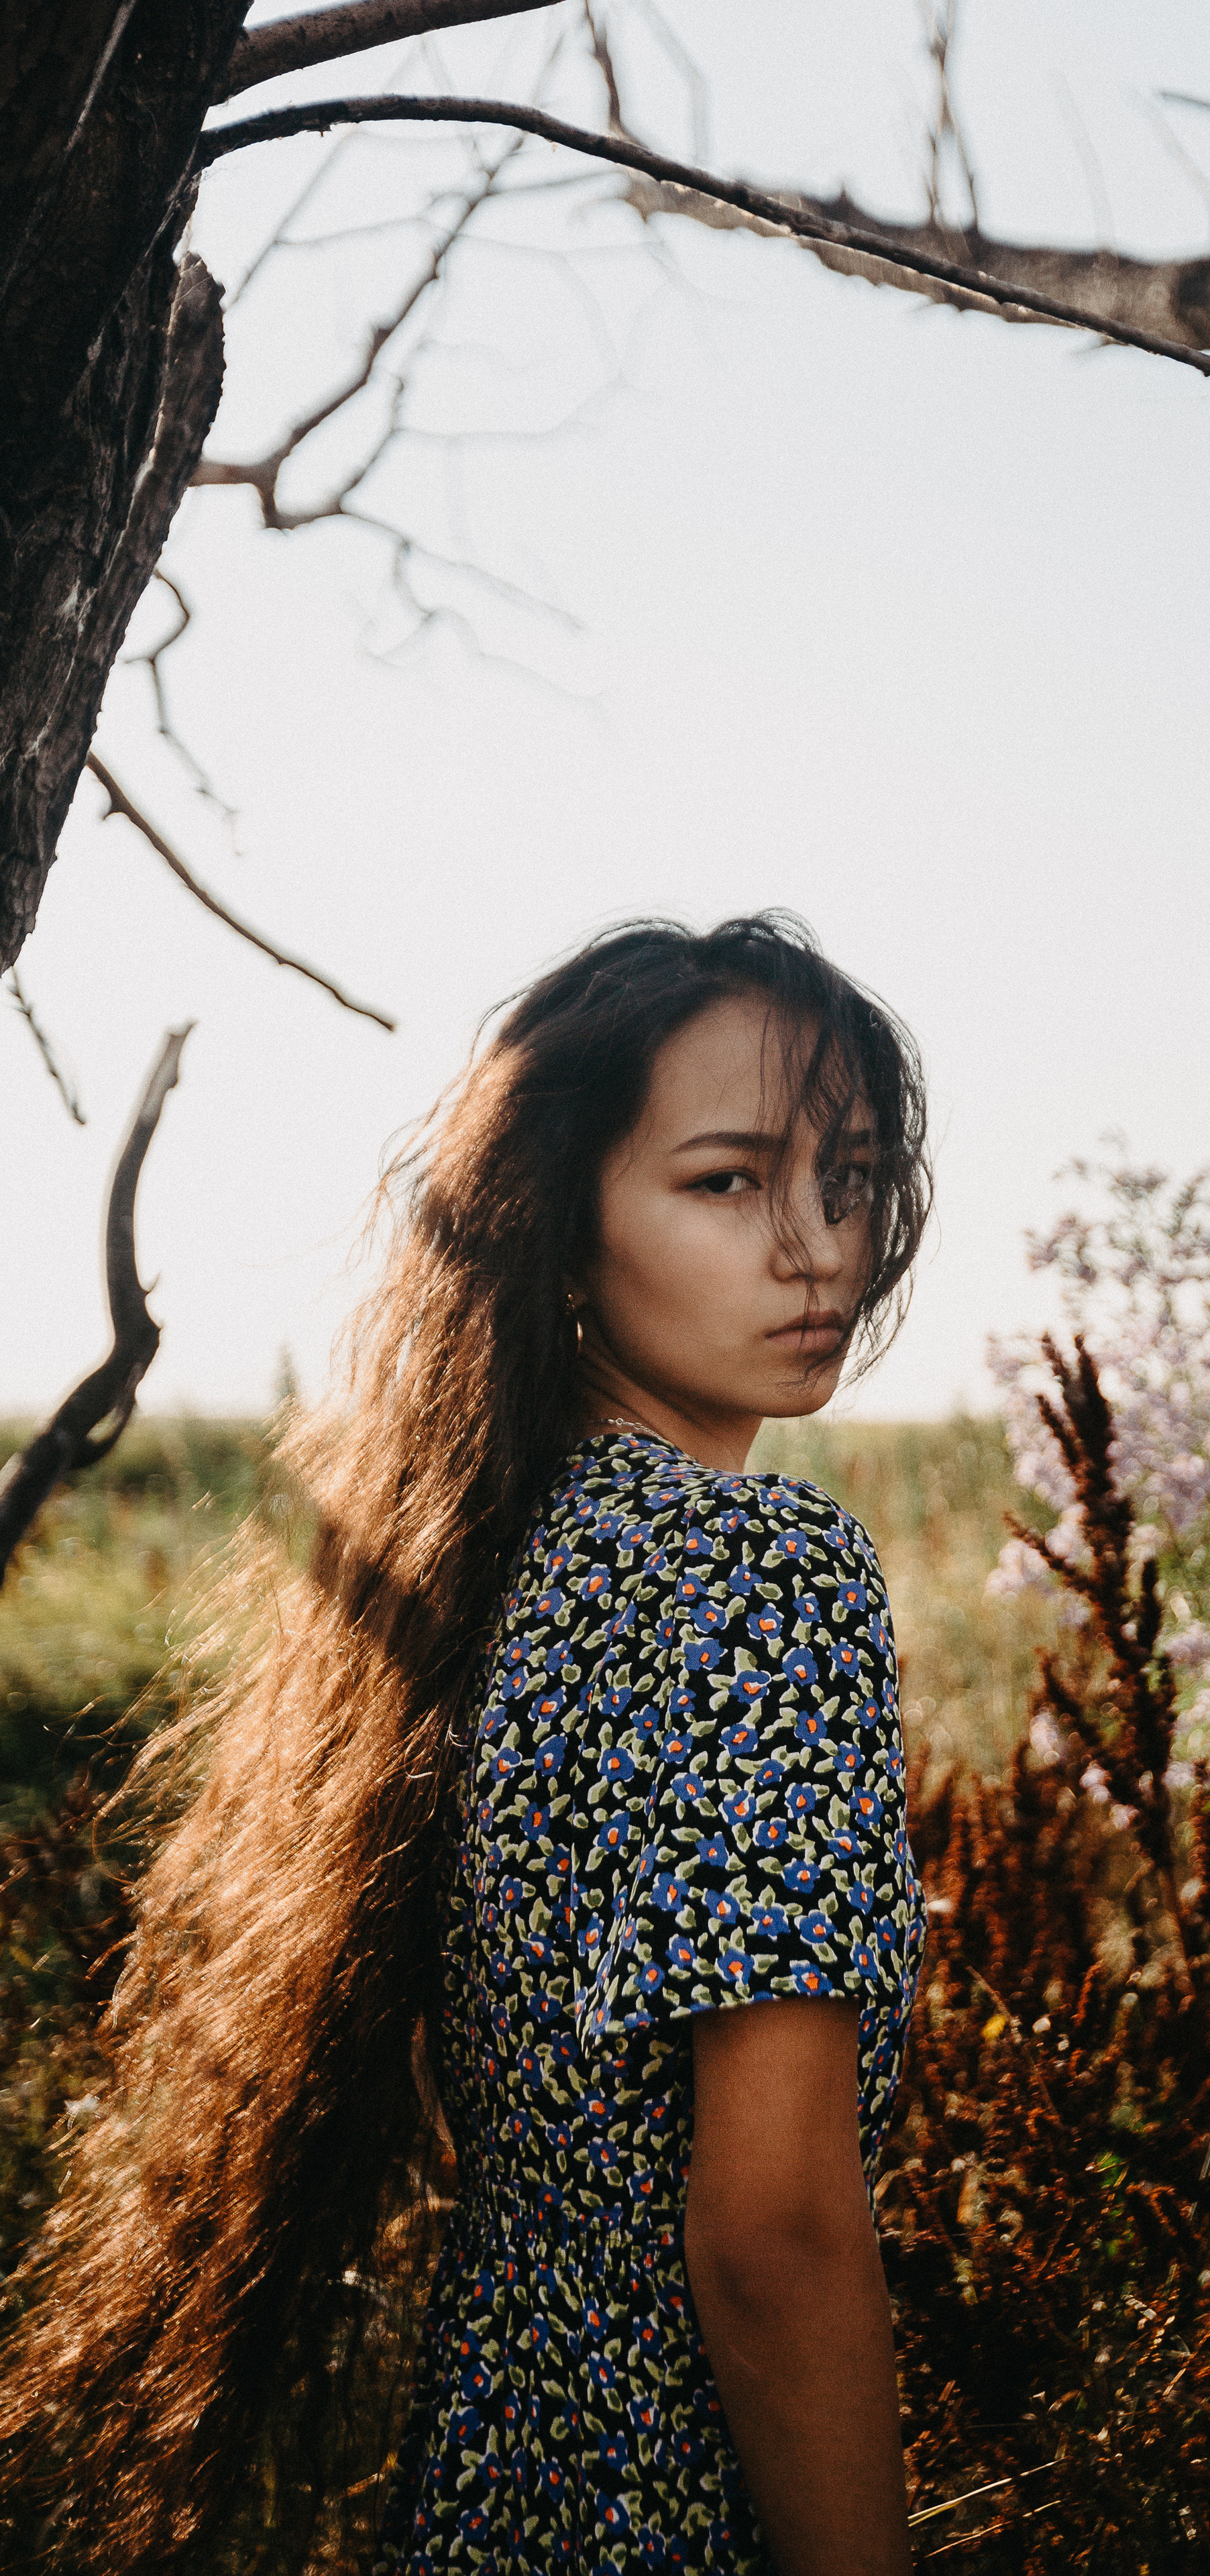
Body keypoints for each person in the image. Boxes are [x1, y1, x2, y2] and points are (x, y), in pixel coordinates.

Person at [1, 914, 932, 2576]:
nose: (815, 1247)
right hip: (676, 2492)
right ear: (564, 1230)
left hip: (499, 2475)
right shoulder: (760, 1570)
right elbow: (774, 2228)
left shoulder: (472, 1575)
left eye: (848, 1176)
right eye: (725, 1181)